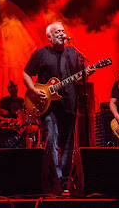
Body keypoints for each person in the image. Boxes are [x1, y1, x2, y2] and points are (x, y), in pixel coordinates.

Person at [23, 22, 91, 192]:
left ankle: (65, 179)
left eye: (63, 31)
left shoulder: (74, 53)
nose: (62, 33)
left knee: (69, 143)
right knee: (51, 139)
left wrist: (87, 75)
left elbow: (79, 79)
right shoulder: (41, 54)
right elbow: (26, 73)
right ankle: (55, 178)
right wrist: (34, 90)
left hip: (69, 102)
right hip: (47, 105)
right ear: (50, 37)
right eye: (57, 32)